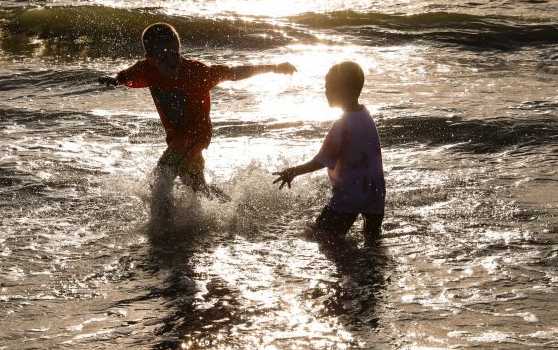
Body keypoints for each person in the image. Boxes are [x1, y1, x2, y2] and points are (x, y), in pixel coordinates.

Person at [99, 22, 295, 208]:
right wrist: (114, 79)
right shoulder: (146, 69)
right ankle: (232, 208)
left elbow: (233, 73)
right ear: (150, 59)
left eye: (174, 55)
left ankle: (162, 228)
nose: (171, 62)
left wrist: (274, 68)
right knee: (197, 187)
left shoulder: (196, 72)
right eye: (163, 58)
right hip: (176, 137)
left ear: (179, 50)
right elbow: (124, 76)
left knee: (159, 180)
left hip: (196, 135)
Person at [273, 61, 385, 238]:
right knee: (372, 243)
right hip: (375, 194)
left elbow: (322, 160)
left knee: (319, 236)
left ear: (345, 91)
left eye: (330, 87)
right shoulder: (366, 114)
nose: (326, 92)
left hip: (349, 196)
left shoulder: (342, 125)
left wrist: (294, 171)